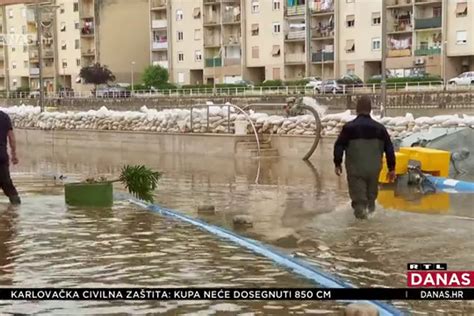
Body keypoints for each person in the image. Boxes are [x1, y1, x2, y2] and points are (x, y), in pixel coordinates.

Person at [333, 96, 395, 219]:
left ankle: (360, 232)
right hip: (374, 170)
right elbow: (389, 148)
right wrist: (391, 168)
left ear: (357, 109)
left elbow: (339, 145)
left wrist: (337, 162)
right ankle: (371, 229)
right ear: (370, 109)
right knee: (371, 198)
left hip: (356, 170)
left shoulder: (349, 128)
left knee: (359, 200)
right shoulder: (380, 128)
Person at [0, 111, 20, 205]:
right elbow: (11, 137)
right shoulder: (4, 117)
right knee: (8, 185)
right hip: (2, 156)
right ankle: (15, 212)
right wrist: (14, 154)